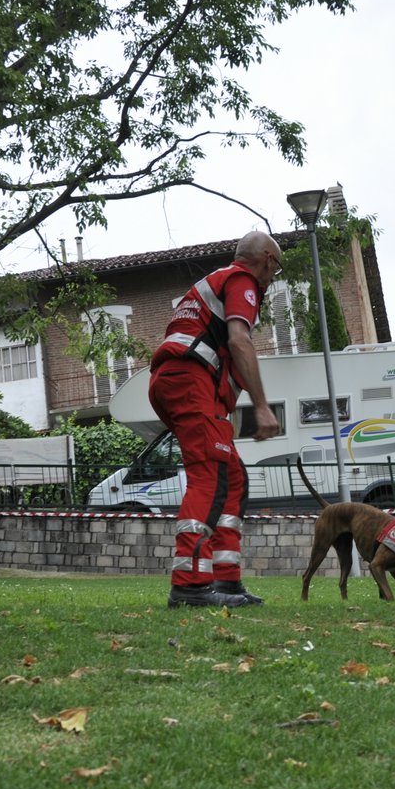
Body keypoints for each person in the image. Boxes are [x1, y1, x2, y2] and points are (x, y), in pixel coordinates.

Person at [148, 230, 282, 609]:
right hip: (190, 381)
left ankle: (225, 582)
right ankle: (190, 584)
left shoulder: (212, 285)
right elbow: (240, 342)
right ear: (268, 260)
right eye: (276, 268)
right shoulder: (242, 280)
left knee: (232, 478)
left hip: (177, 380)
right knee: (210, 474)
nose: (273, 279)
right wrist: (261, 406)